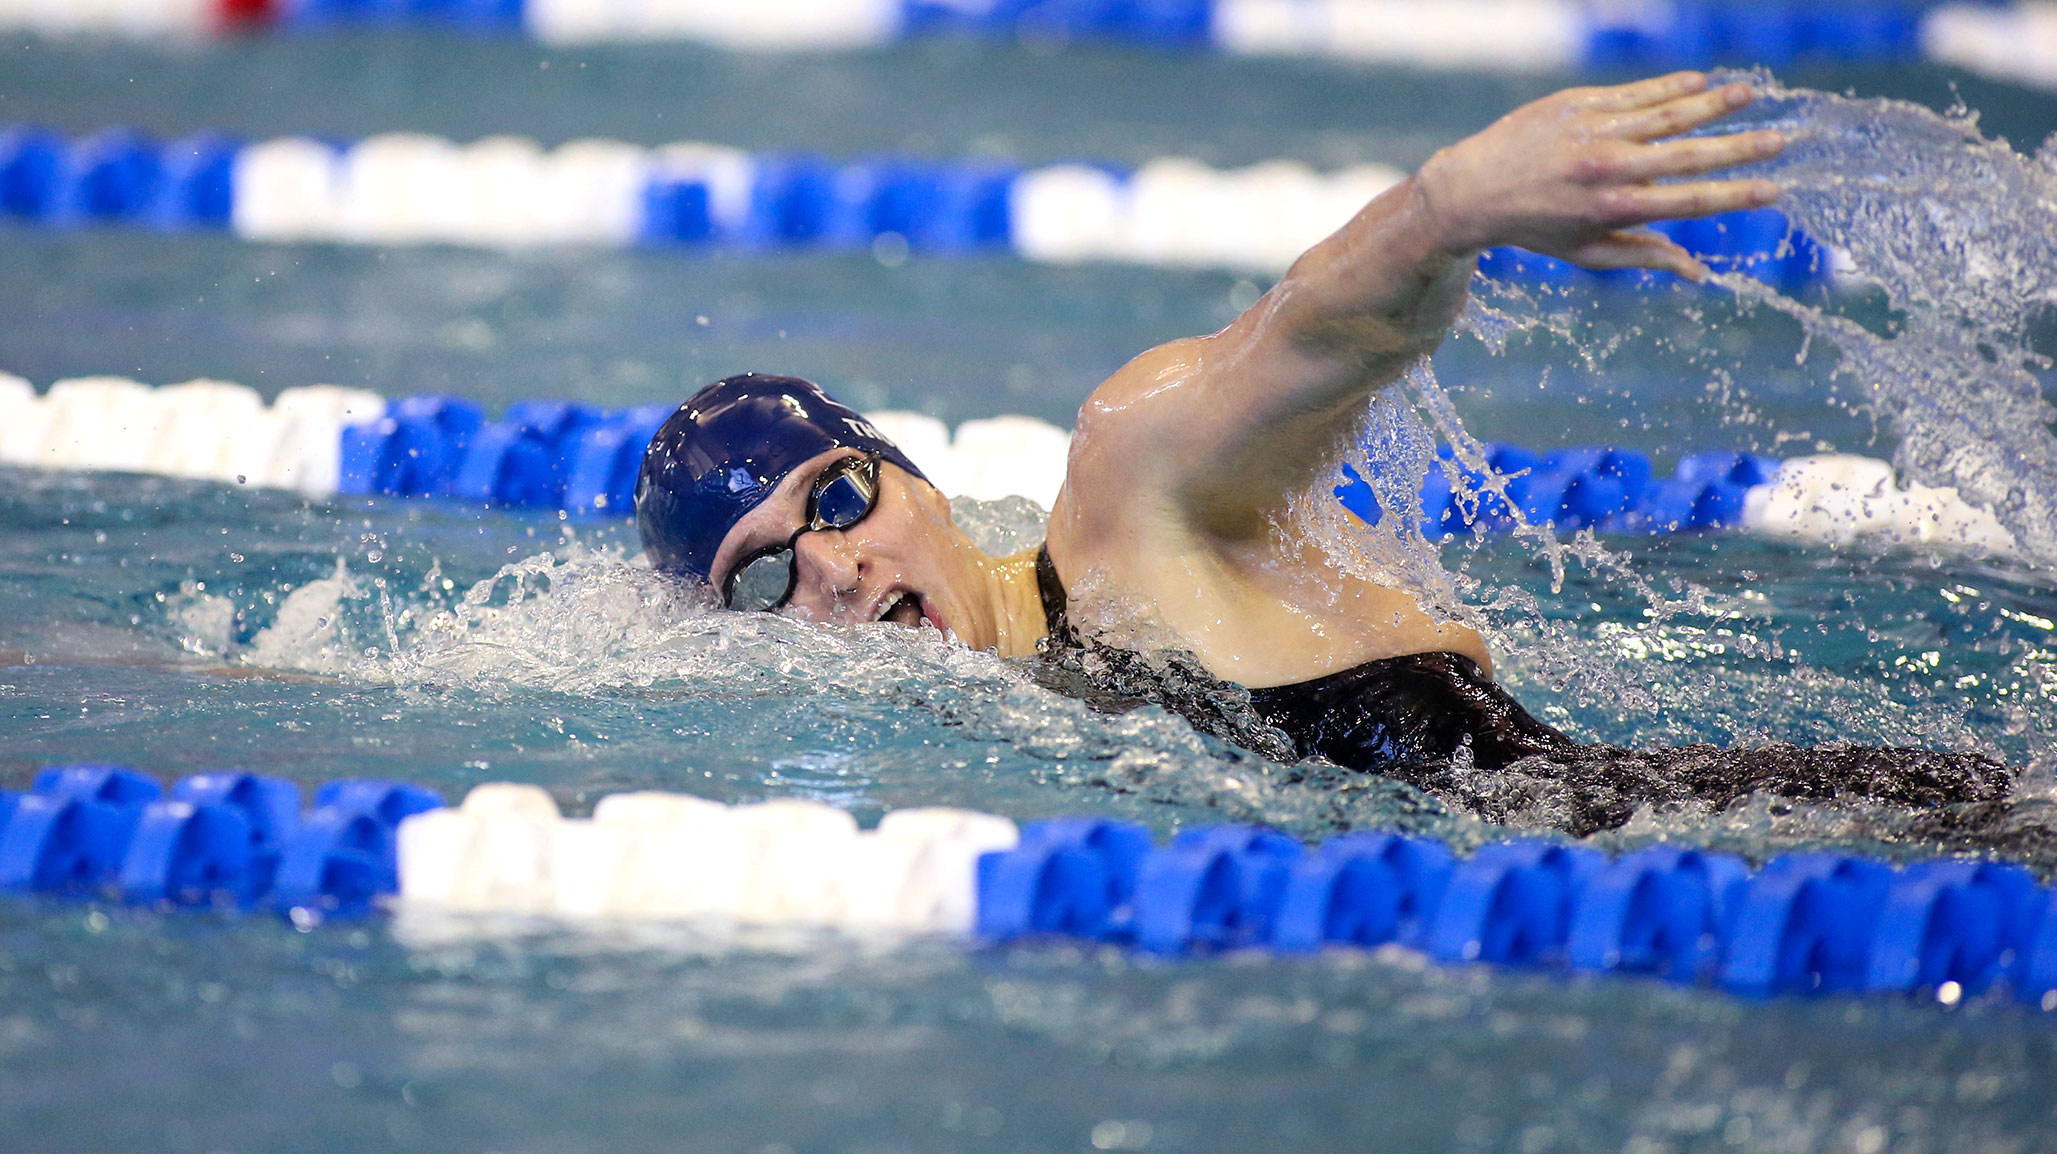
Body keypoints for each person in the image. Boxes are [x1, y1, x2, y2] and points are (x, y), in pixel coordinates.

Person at [635, 72, 2017, 835]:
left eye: (838, 496)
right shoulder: (1031, 685)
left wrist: (1440, 212)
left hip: (1847, 831)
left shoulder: (1123, 499)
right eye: (764, 578)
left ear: (914, 477)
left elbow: (1301, 341)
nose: (835, 567)